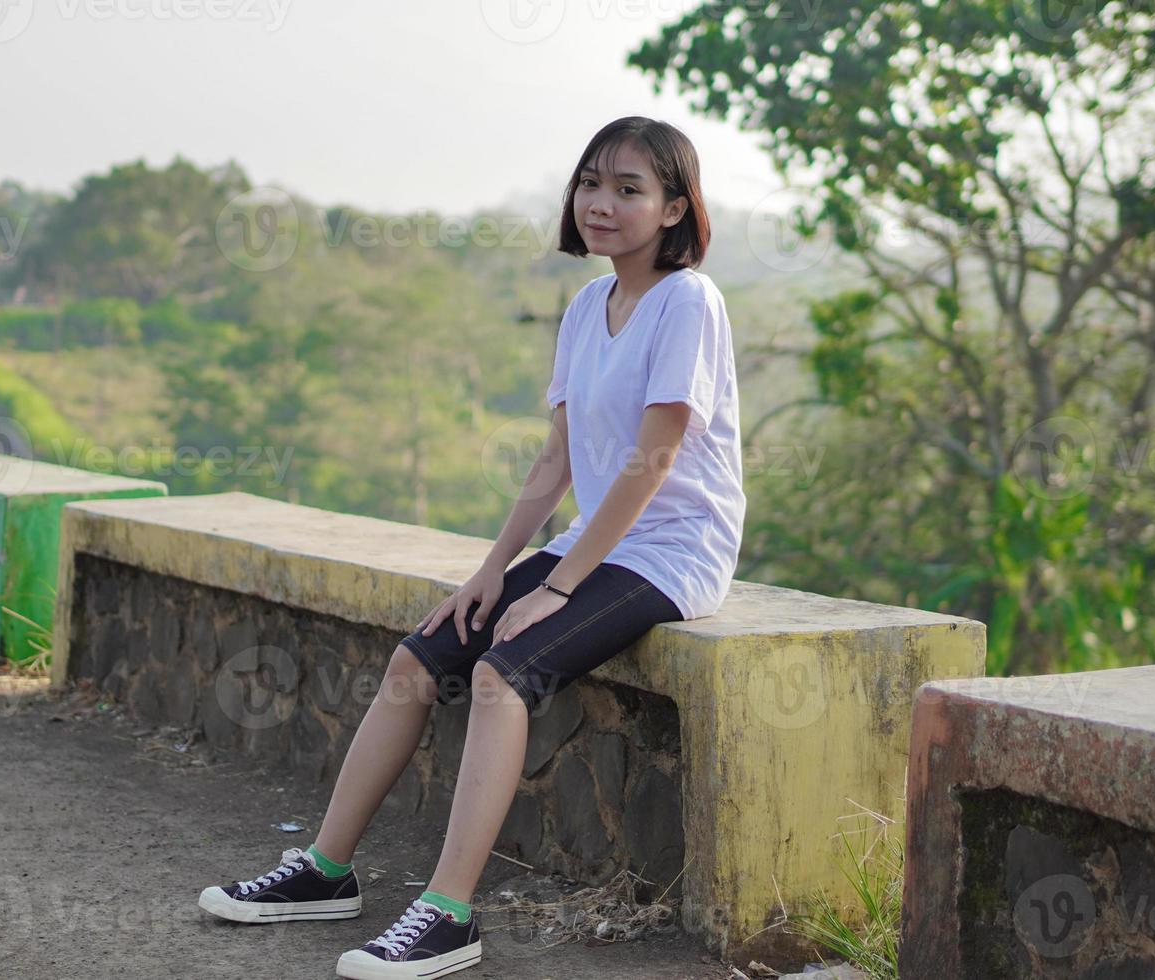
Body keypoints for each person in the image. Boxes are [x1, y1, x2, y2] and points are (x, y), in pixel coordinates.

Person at [197, 115, 746, 979]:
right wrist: (492, 571)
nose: (601, 203)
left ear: (676, 208)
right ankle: (324, 871)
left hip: (673, 550)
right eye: (591, 183)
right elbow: (559, 456)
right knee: (420, 660)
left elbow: (655, 459)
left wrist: (558, 588)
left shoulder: (687, 301)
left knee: (501, 673)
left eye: (629, 190)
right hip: (595, 546)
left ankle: (448, 916)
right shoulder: (585, 307)